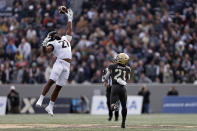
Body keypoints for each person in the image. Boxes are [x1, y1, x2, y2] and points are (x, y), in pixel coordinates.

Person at [36, 7, 73, 116]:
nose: (56, 34)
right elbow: (46, 51)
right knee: (51, 81)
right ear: (52, 38)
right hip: (60, 62)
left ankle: (50, 106)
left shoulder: (65, 39)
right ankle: (41, 98)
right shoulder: (53, 43)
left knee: (59, 87)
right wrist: (43, 45)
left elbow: (69, 30)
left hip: (67, 65)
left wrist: (69, 17)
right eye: (54, 34)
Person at [103, 53, 131, 128]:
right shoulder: (128, 68)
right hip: (123, 88)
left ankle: (114, 106)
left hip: (115, 87)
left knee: (112, 105)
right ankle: (123, 123)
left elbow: (106, 76)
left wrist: (105, 81)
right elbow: (127, 79)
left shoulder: (112, 66)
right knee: (124, 106)